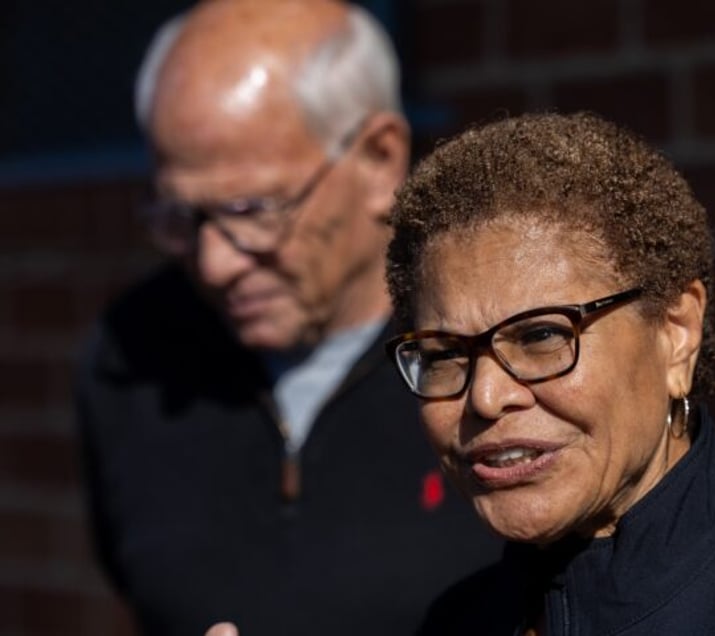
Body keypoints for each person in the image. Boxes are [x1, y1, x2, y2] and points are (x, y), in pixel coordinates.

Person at [75, 1, 498, 634]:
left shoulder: (497, 353)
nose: (215, 263)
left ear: (379, 159)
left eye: (255, 211)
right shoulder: (133, 356)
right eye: (182, 217)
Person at [383, 111, 715, 635]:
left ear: (677, 333)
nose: (486, 397)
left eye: (541, 336)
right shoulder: (456, 621)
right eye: (444, 355)